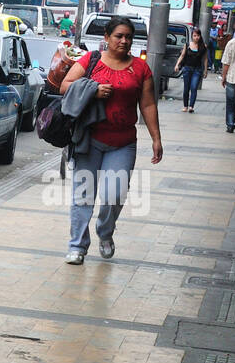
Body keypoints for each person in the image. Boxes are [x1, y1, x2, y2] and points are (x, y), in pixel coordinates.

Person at [59, 15, 163, 265]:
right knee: (83, 196)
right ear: (106, 37)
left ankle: (105, 233)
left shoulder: (141, 68)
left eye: (129, 37)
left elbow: (147, 104)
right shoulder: (91, 60)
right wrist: (93, 89)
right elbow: (65, 85)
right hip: (89, 139)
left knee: (114, 194)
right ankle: (77, 246)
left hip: (123, 142)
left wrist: (156, 139)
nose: (124, 41)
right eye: (119, 36)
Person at [173, 27, 209, 112]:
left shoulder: (203, 46)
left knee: (194, 87)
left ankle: (191, 106)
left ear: (200, 36)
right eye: (194, 35)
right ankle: (185, 106)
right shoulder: (187, 45)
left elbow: (205, 59)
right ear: (192, 36)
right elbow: (182, 56)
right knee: (186, 88)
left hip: (197, 70)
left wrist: (205, 70)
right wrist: (177, 65)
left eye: (198, 35)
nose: (196, 37)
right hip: (187, 69)